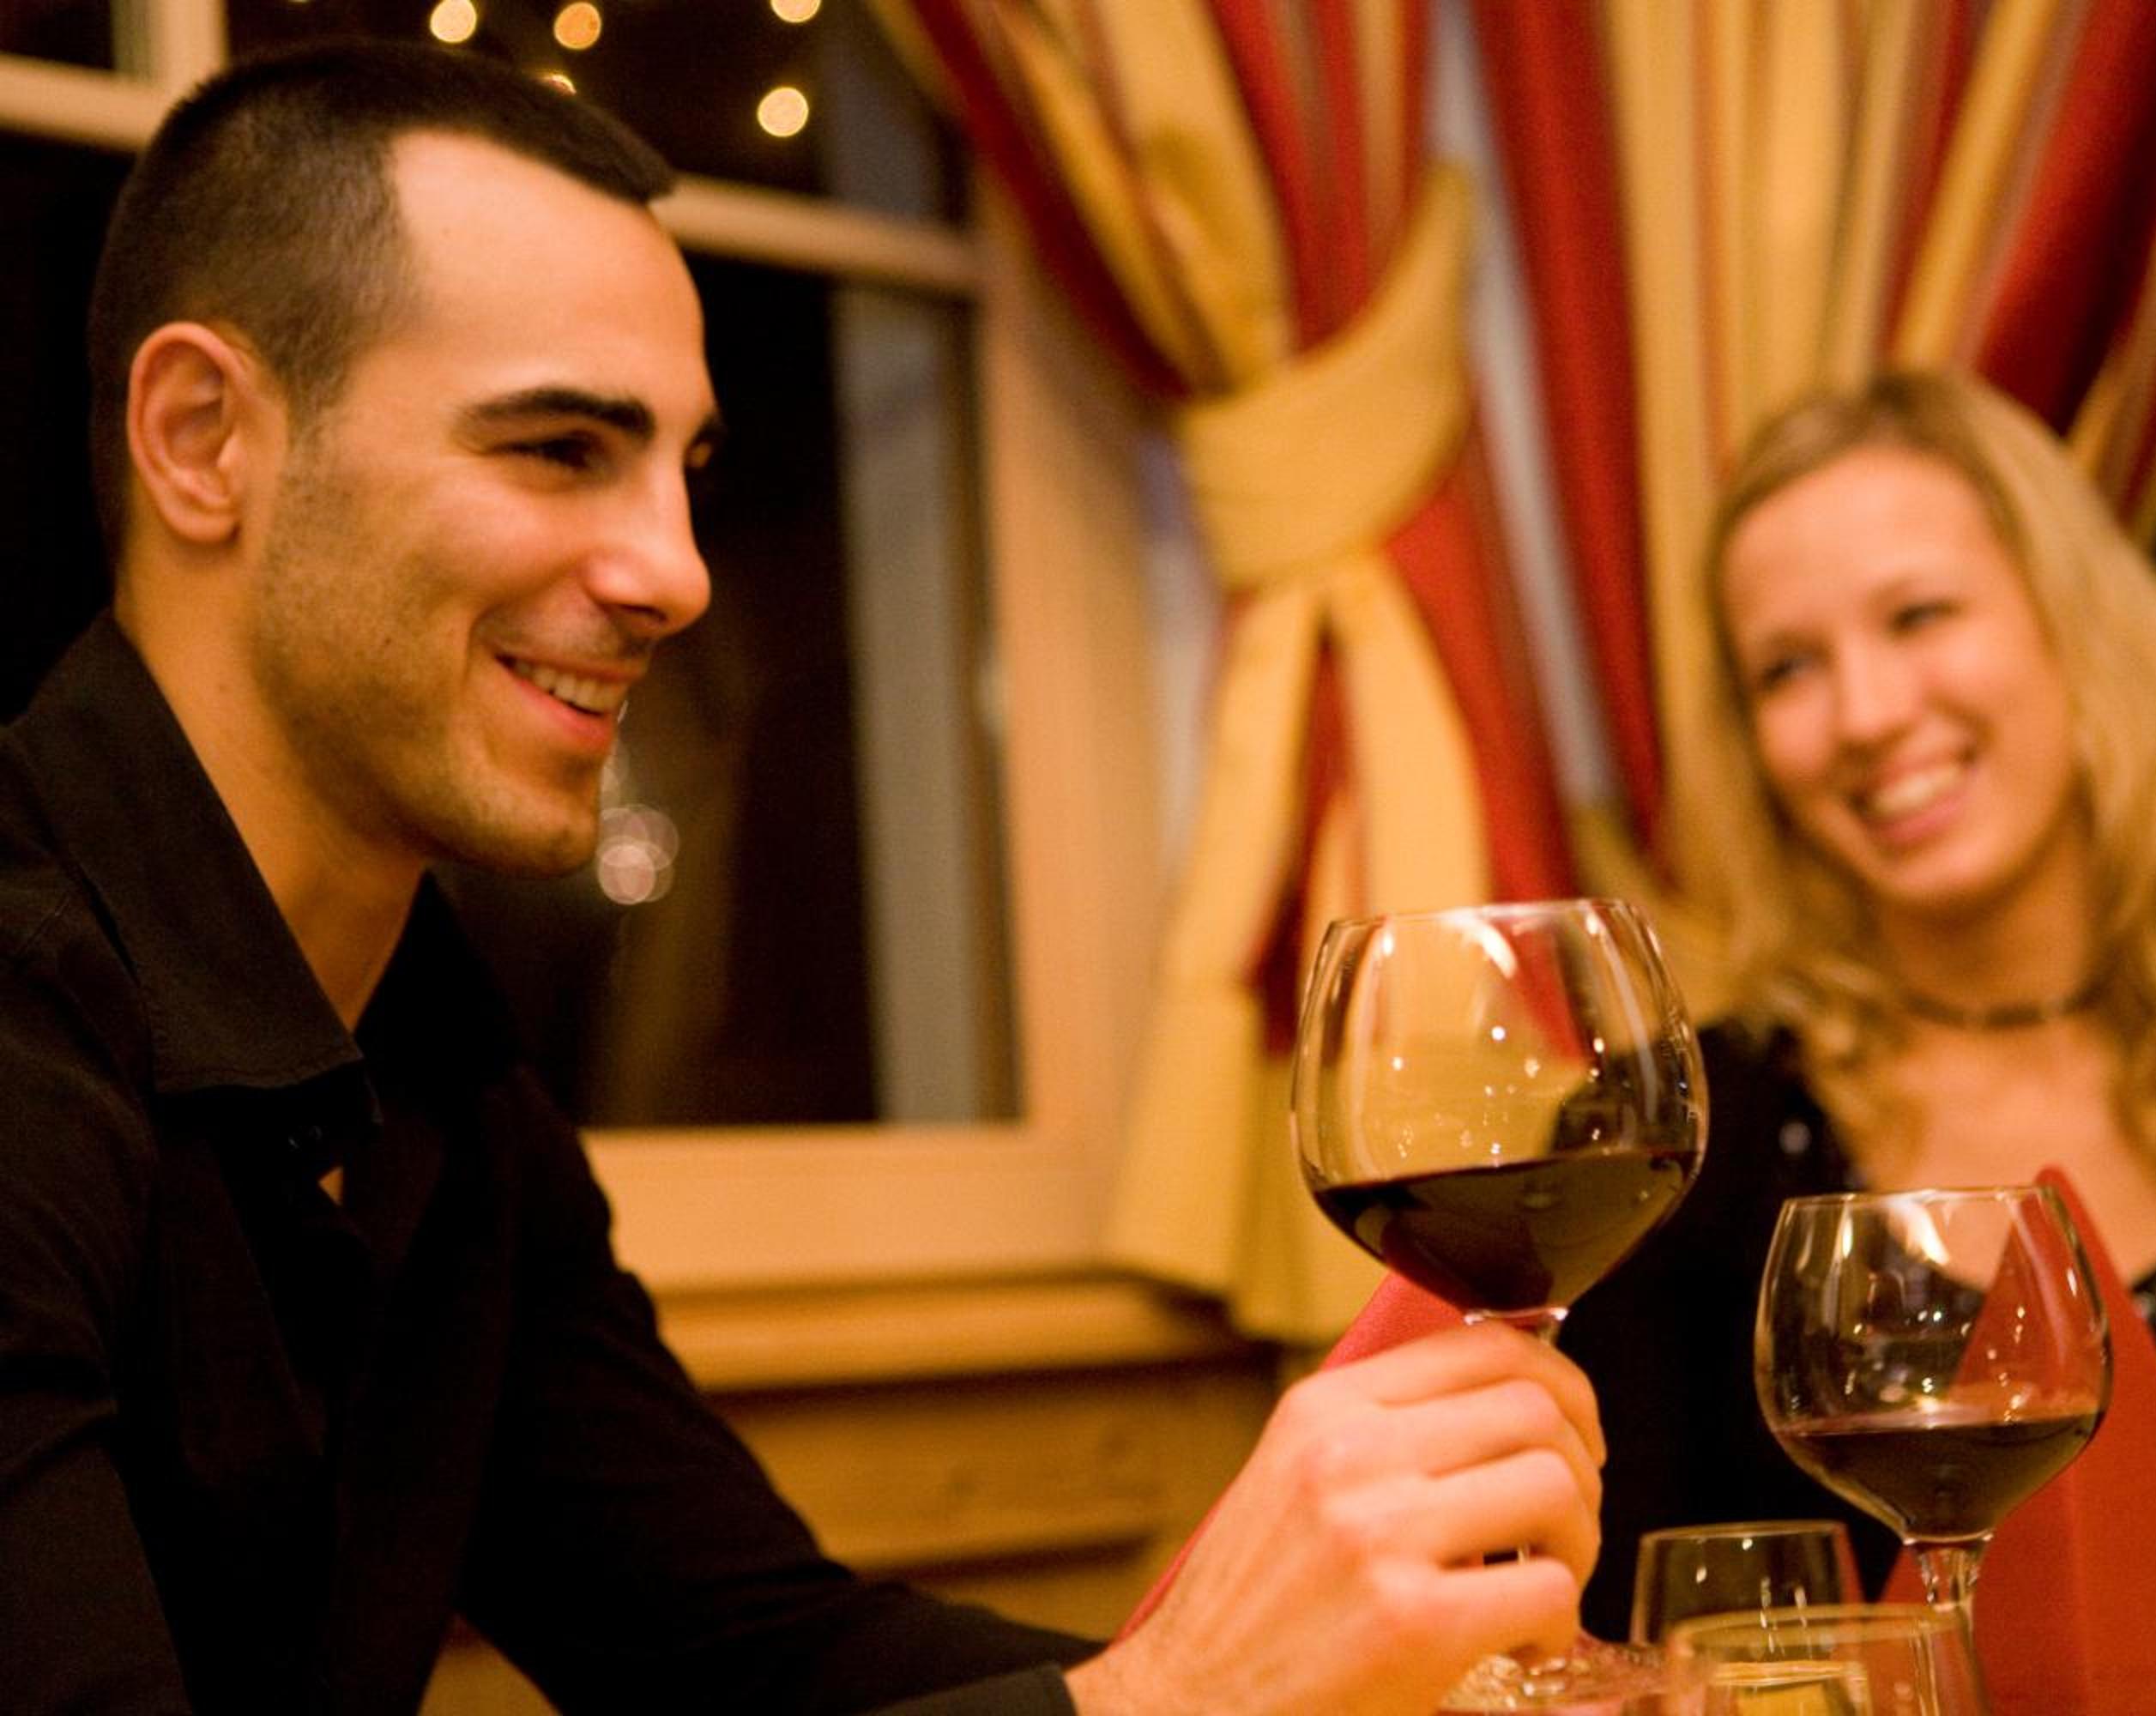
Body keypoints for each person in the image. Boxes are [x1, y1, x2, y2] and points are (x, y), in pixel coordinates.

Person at [0, 42, 1605, 1714]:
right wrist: (1184, 1695)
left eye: (682, 473)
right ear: (202, 440)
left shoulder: (425, 1055)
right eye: (558, 447)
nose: (678, 574)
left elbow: (757, 1661)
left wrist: (1303, 1661)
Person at [1562, 372, 2156, 1654]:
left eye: (1919, 614)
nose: (1867, 715)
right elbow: (1624, 1654)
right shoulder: (1676, 1145)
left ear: (2074, 627)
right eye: (1787, 669)